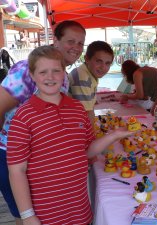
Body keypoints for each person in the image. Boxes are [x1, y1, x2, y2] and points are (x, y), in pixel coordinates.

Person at [6, 46, 133, 225]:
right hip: (45, 214)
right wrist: (27, 215)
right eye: (43, 72)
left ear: (64, 74)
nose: (50, 77)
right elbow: (16, 171)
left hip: (79, 209)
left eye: (56, 71)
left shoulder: (77, 108)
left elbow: (87, 151)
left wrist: (113, 136)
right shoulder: (23, 117)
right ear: (33, 76)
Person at [0, 20, 86, 224]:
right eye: (70, 41)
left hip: (39, 158)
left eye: (81, 43)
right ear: (55, 40)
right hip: (12, 157)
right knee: (25, 216)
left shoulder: (62, 76)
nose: (76, 48)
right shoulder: (27, 70)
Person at [68, 41, 114, 124]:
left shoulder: (89, 73)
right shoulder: (82, 78)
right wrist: (93, 135)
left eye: (107, 63)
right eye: (98, 61)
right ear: (87, 59)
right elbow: (86, 114)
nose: (103, 67)